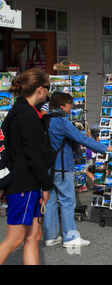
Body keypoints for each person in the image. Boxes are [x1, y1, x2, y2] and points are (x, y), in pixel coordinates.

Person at [42, 92, 112, 248]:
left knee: (50, 201)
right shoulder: (62, 121)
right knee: (67, 201)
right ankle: (70, 238)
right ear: (62, 105)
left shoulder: (45, 120)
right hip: (62, 166)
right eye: (70, 104)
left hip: (47, 167)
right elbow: (81, 138)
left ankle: (50, 237)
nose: (72, 107)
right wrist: (105, 148)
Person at [0, 68, 53, 265]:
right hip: (25, 185)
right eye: (48, 88)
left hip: (26, 183)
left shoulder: (20, 110)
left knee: (34, 236)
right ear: (40, 89)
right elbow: (34, 157)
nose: (49, 93)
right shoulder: (26, 115)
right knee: (14, 240)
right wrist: (46, 185)